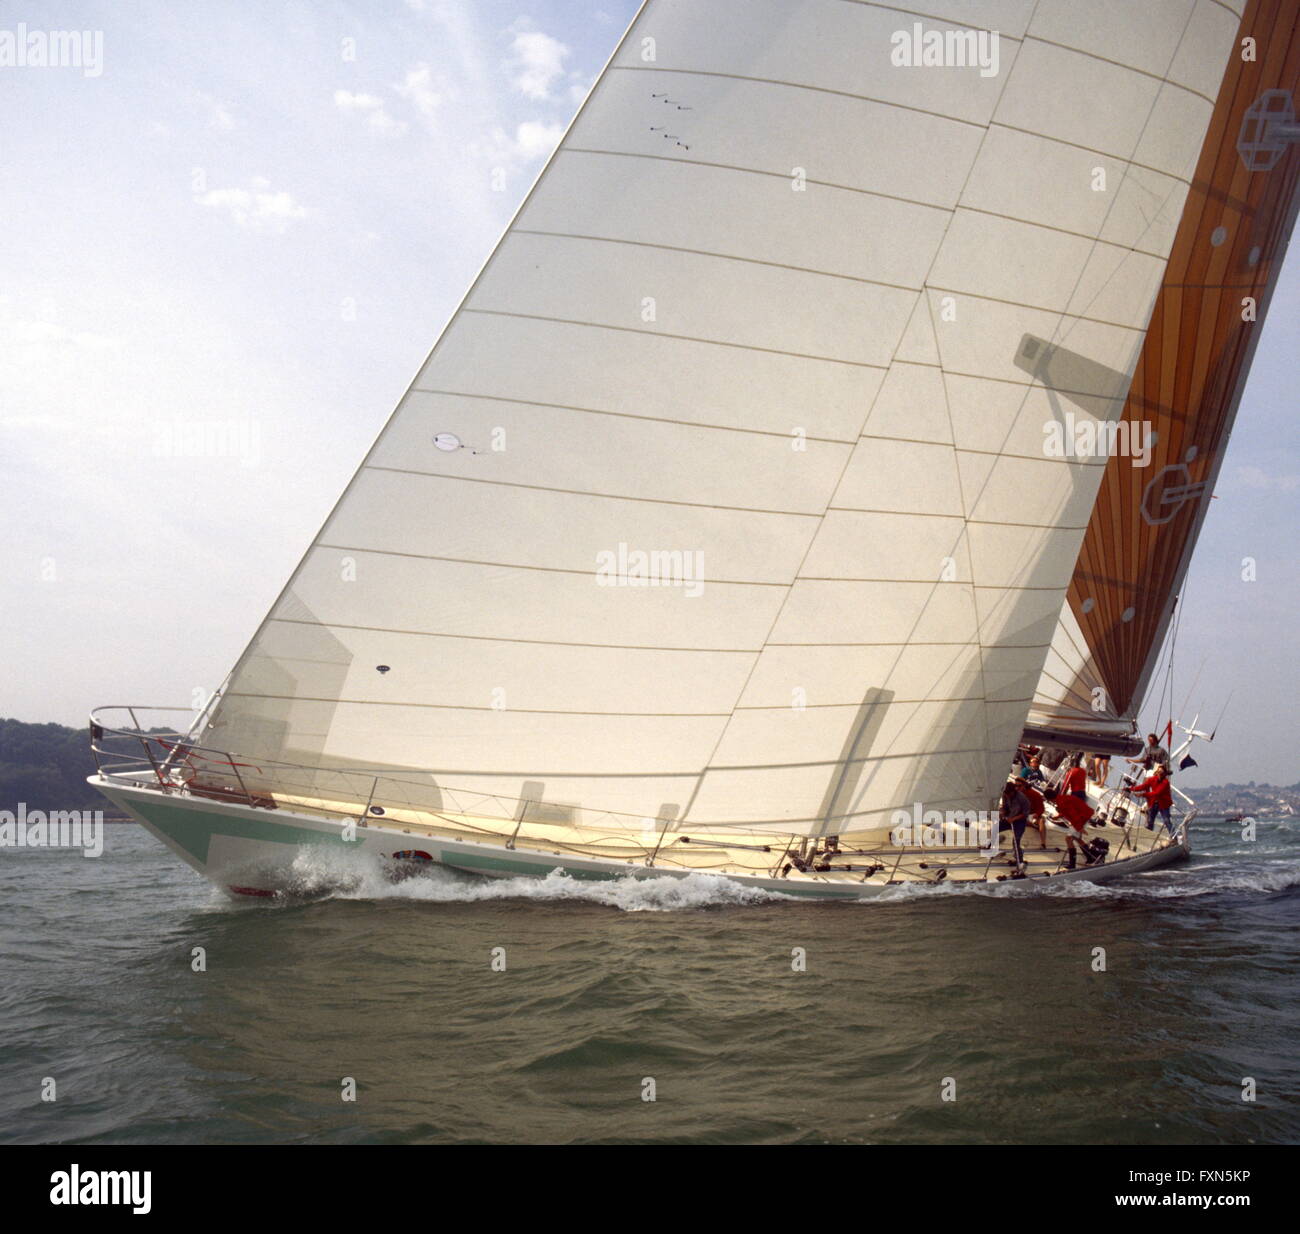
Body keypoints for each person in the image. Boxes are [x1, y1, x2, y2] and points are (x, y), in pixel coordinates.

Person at [1044, 786, 1102, 869]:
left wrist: (1079, 828)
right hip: (1085, 814)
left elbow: (1074, 815)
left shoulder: (1061, 803)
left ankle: (1072, 864)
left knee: (1068, 839)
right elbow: (1067, 811)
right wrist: (1058, 816)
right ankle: (1090, 858)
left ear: (1049, 799)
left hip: (1082, 817)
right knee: (1077, 838)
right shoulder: (1062, 799)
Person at [1126, 763, 1174, 833]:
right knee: (1150, 821)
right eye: (1159, 772)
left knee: (1167, 820)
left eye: (1162, 772)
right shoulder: (1152, 779)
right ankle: (1149, 833)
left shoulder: (1165, 782)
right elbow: (1143, 786)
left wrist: (1142, 794)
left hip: (1164, 804)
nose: (1160, 774)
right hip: (1154, 802)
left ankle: (1173, 836)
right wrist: (1131, 789)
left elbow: (1157, 793)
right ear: (1156, 772)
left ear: (1164, 774)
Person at [1000, 780, 1032, 873]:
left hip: (1019, 821)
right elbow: (1004, 807)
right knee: (995, 828)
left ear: (1013, 791)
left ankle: (1019, 862)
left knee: (1016, 841)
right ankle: (991, 848)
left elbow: (1025, 813)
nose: (1007, 796)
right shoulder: (1005, 795)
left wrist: (1014, 819)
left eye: (1009, 794)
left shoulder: (1022, 798)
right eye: (1006, 794)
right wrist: (1002, 812)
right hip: (1008, 818)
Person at [1015, 768, 1048, 849]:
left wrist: (1037, 814)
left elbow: (1041, 808)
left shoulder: (1035, 794)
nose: (1017, 788)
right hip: (1022, 815)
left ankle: (1043, 843)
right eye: (1015, 786)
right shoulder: (1015, 794)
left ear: (1024, 785)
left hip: (1032, 814)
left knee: (1041, 820)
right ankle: (1033, 826)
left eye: (1019, 786)